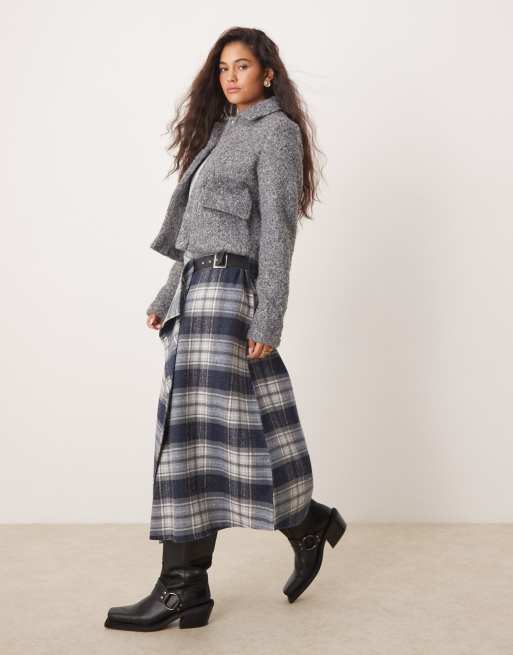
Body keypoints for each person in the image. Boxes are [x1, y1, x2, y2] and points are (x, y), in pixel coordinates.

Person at [104, 26, 347, 632]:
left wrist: (269, 314)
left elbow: (277, 232)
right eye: (222, 67)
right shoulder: (220, 133)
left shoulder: (276, 133)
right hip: (197, 293)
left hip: (232, 295)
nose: (230, 76)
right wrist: (169, 294)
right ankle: (302, 524)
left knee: (200, 436)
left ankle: (183, 586)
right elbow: (198, 233)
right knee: (209, 435)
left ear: (268, 73)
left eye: (242, 66)